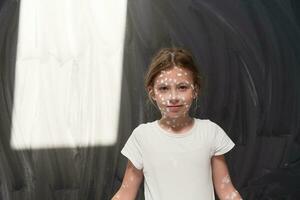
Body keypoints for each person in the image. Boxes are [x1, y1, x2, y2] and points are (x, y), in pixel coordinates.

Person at [111, 47, 243, 200]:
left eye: (182, 87)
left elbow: (227, 191)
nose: (173, 97)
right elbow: (125, 194)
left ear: (195, 90)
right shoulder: (142, 137)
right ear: (152, 93)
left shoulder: (210, 132)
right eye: (164, 88)